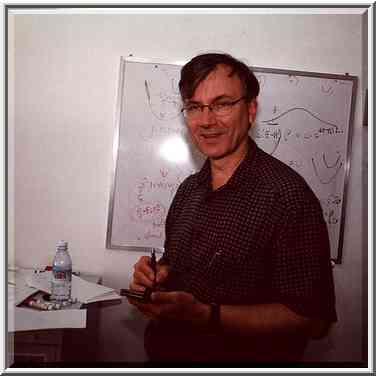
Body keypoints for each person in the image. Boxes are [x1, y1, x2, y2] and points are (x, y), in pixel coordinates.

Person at [127, 52, 337, 364]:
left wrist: (206, 316)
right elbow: (181, 265)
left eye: (222, 104)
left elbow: (313, 321)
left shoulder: (288, 197)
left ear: (251, 110)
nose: (207, 120)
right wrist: (159, 275)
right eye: (195, 107)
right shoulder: (188, 190)